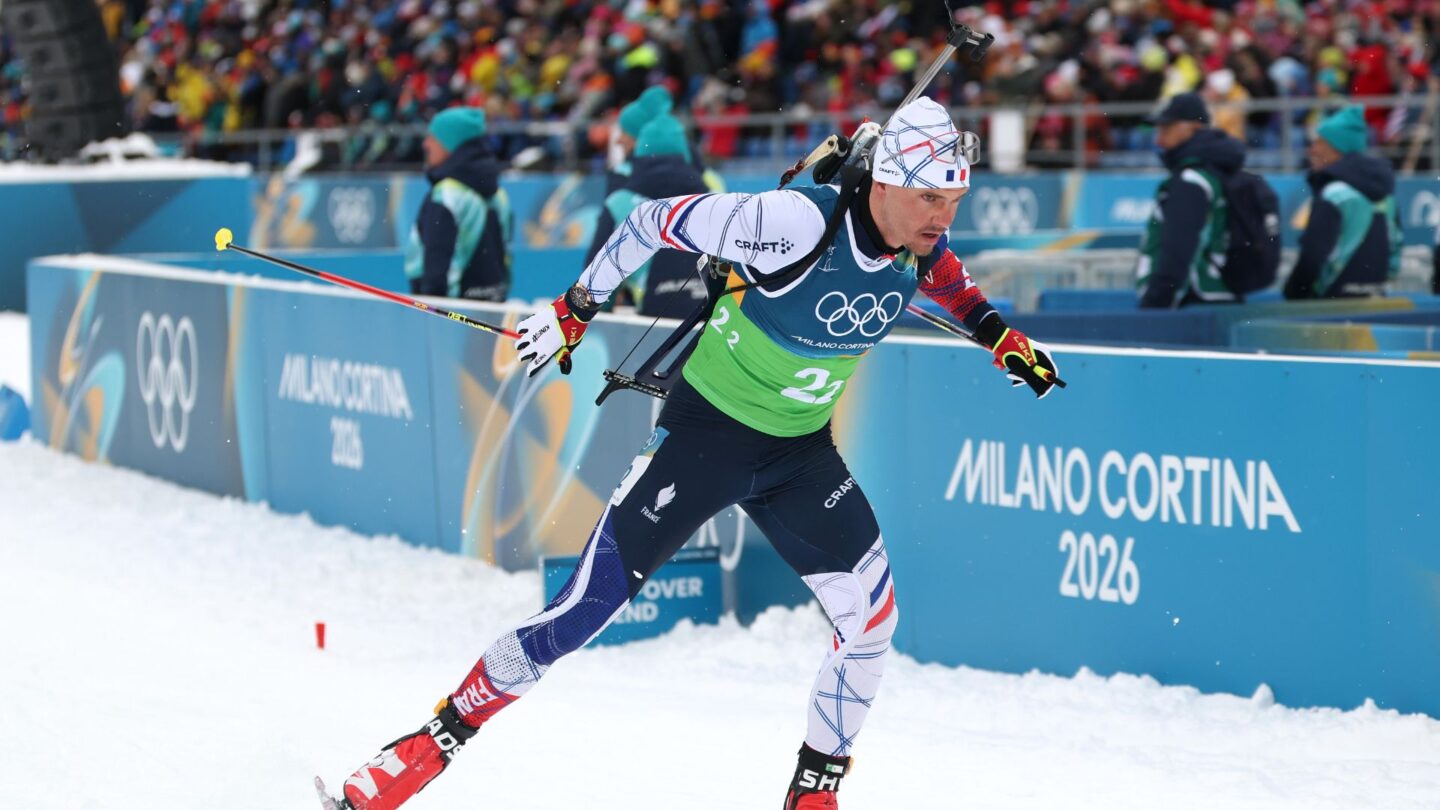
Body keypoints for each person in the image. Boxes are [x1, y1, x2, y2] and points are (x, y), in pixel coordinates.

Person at [319, 97, 1060, 810]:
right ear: (888, 180)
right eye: (931, 197)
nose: (944, 216)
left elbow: (953, 287)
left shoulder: (920, 244)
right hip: (704, 441)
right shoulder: (793, 224)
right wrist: (575, 310)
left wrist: (1001, 338)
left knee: (872, 623)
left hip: (800, 455)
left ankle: (815, 791)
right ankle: (431, 742)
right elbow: (648, 222)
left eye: (954, 200)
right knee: (581, 613)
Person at [585, 113, 710, 317]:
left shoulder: (621, 203)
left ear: (640, 156)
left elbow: (596, 280)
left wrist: (603, 315)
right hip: (709, 320)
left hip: (652, 322)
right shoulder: (712, 200)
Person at [1136, 92, 1248, 308]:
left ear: (1191, 128)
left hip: (1192, 304)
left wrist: (1154, 304)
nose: (1159, 140)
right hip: (1220, 298)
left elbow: (1177, 252)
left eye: (1166, 129)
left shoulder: (1192, 179)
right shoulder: (1218, 171)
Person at [1284, 105, 1402, 300]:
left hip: (1333, 303)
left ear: (1337, 149)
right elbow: (1395, 251)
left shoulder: (1334, 194)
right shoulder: (1386, 196)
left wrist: (1294, 293)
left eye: (1319, 142)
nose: (1311, 149)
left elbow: (1313, 256)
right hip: (1375, 299)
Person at [404, 107, 513, 301]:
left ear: (451, 143)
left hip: (449, 319)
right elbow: (505, 262)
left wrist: (432, 313)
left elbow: (436, 276)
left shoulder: (446, 196)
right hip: (493, 309)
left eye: (433, 137)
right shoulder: (499, 194)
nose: (425, 144)